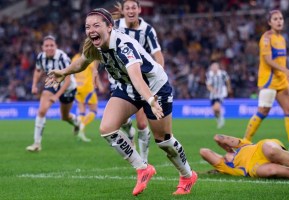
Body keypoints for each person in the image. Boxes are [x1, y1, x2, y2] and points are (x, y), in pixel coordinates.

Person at [46, 8, 197, 196]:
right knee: (107, 128)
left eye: (96, 25)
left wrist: (150, 99)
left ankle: (187, 175)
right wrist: (64, 72)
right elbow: (82, 62)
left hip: (155, 88)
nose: (91, 30)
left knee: (164, 141)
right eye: (87, 26)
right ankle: (143, 168)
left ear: (109, 27)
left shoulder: (124, 45)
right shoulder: (95, 45)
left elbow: (137, 77)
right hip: (128, 87)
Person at [243, 10, 289, 153]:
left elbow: (282, 61)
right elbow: (268, 60)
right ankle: (245, 141)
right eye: (275, 19)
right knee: (263, 111)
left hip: (281, 80)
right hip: (268, 80)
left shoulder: (282, 39)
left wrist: (288, 80)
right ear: (269, 22)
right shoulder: (266, 38)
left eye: (281, 18)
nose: (279, 21)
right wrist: (286, 72)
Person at [109, 0, 165, 163]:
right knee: (121, 121)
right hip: (117, 79)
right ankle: (129, 132)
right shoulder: (115, 25)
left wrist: (159, 73)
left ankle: (144, 160)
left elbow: (158, 54)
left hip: (138, 80)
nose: (131, 10)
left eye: (134, 7)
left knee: (141, 123)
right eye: (128, 8)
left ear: (140, 10)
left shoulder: (147, 30)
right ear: (124, 11)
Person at [26, 35, 81, 152]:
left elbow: (68, 80)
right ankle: (36, 144)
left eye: (52, 45)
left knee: (64, 117)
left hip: (68, 89)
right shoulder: (41, 57)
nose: (49, 48)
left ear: (56, 46)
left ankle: (77, 123)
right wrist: (34, 85)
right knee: (41, 111)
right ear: (42, 47)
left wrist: (57, 96)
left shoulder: (63, 58)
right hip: (52, 84)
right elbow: (38, 70)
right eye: (47, 46)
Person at [72, 48, 106, 142]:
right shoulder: (89, 58)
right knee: (93, 110)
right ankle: (82, 127)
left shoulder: (75, 58)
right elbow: (94, 72)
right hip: (87, 88)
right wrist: (100, 85)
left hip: (77, 87)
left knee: (82, 111)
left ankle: (78, 123)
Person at [206, 62, 232, 129]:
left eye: (215, 67)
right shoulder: (209, 74)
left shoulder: (223, 73)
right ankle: (219, 120)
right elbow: (208, 85)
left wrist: (228, 87)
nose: (214, 68)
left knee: (216, 108)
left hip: (220, 93)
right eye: (213, 67)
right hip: (212, 95)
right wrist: (212, 90)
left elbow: (227, 80)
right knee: (214, 111)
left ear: (218, 67)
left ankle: (221, 120)